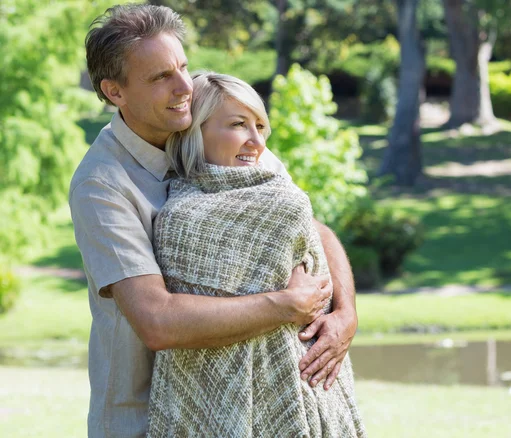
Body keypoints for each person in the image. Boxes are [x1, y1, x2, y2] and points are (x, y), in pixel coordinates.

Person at [70, 4, 358, 437]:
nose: (184, 86)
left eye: (182, 66)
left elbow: (306, 225)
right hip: (145, 420)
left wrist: (345, 314)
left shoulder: (216, 127)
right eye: (160, 77)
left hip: (243, 413)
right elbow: (157, 321)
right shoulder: (102, 185)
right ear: (115, 92)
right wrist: (286, 305)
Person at [147, 72, 366, 437]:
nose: (256, 142)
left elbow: (317, 231)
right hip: (205, 401)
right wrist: (285, 303)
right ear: (194, 131)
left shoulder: (277, 190)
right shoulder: (177, 216)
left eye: (260, 127)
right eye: (238, 125)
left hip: (303, 382)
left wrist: (346, 312)